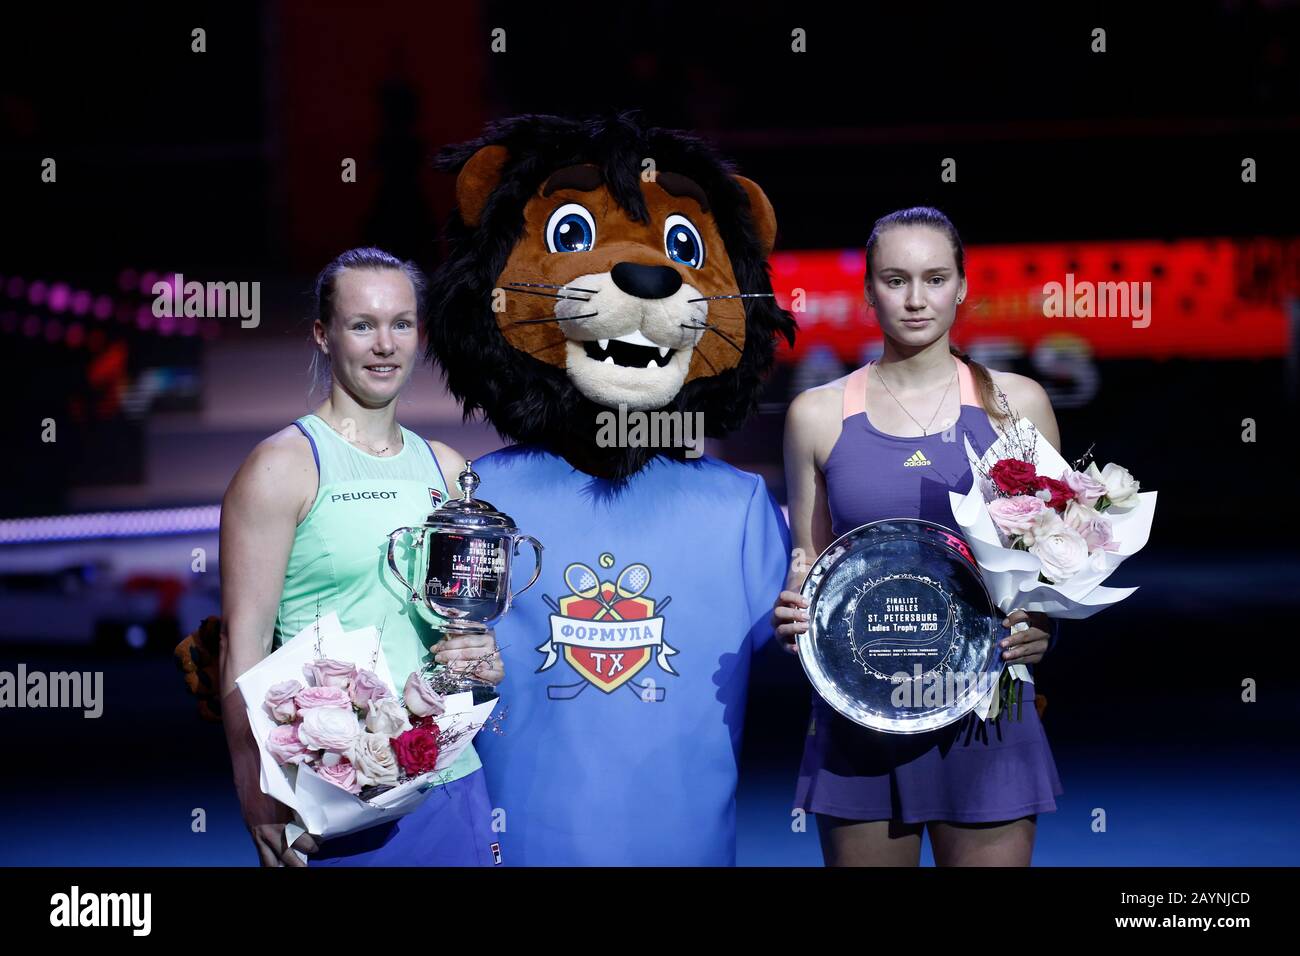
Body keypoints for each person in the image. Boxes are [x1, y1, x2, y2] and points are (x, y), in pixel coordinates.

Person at [772, 207, 1064, 866]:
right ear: (868, 289)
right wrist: (793, 609)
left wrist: (1043, 620)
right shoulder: (815, 414)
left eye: (934, 279)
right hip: (860, 708)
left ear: (962, 287)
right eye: (894, 279)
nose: (914, 299)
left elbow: (1049, 560)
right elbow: (808, 560)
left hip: (989, 711)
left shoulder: (1019, 405)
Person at [218, 247, 504, 867]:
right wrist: (253, 782)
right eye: (362, 325)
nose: (385, 345)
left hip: (451, 777)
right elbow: (240, 648)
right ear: (323, 335)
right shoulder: (281, 468)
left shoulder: (450, 471)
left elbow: (461, 633)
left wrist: (480, 660)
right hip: (335, 797)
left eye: (401, 324)